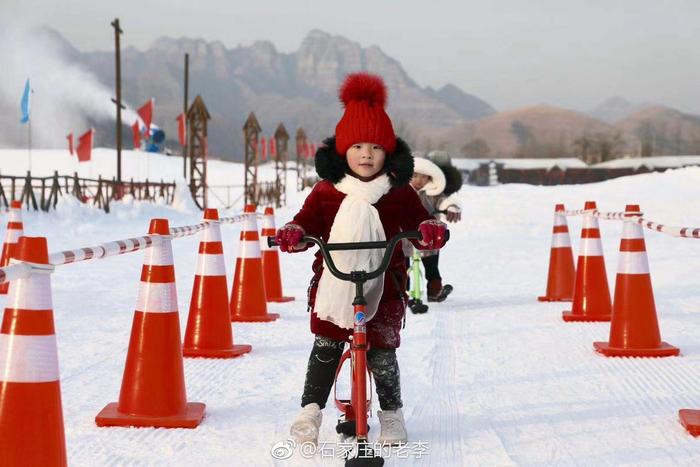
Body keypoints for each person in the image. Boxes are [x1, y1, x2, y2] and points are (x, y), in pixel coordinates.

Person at [274, 72, 448, 446]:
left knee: (382, 351)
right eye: (357, 147)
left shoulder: (398, 192)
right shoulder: (326, 191)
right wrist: (294, 233)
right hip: (336, 281)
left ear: (388, 152)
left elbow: (419, 220)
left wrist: (429, 229)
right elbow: (306, 222)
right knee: (326, 345)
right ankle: (309, 412)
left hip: (385, 283)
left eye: (374, 147)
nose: (366, 154)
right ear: (342, 151)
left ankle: (392, 415)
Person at [408, 152, 463, 302]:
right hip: (405, 237)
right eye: (415, 176)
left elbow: (444, 201)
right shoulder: (402, 191)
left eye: (424, 177)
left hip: (429, 236)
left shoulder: (433, 193)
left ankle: (435, 291)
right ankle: (402, 292)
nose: (419, 180)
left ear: (430, 178)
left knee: (432, 265)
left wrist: (451, 207)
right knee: (401, 267)